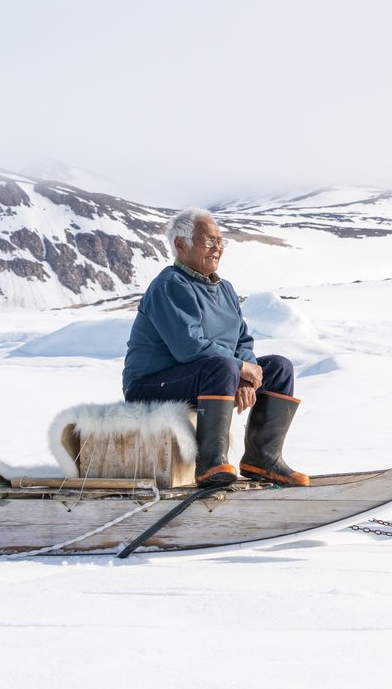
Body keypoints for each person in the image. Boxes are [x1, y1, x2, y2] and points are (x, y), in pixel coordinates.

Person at [122, 208, 308, 488]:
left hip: (210, 376)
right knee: (222, 364)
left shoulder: (225, 289)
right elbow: (190, 347)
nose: (218, 248)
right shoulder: (170, 285)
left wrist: (247, 373)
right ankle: (211, 464)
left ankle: (262, 459)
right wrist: (238, 368)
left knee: (279, 368)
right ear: (181, 245)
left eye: (221, 242)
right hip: (150, 386)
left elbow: (242, 341)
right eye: (209, 241)